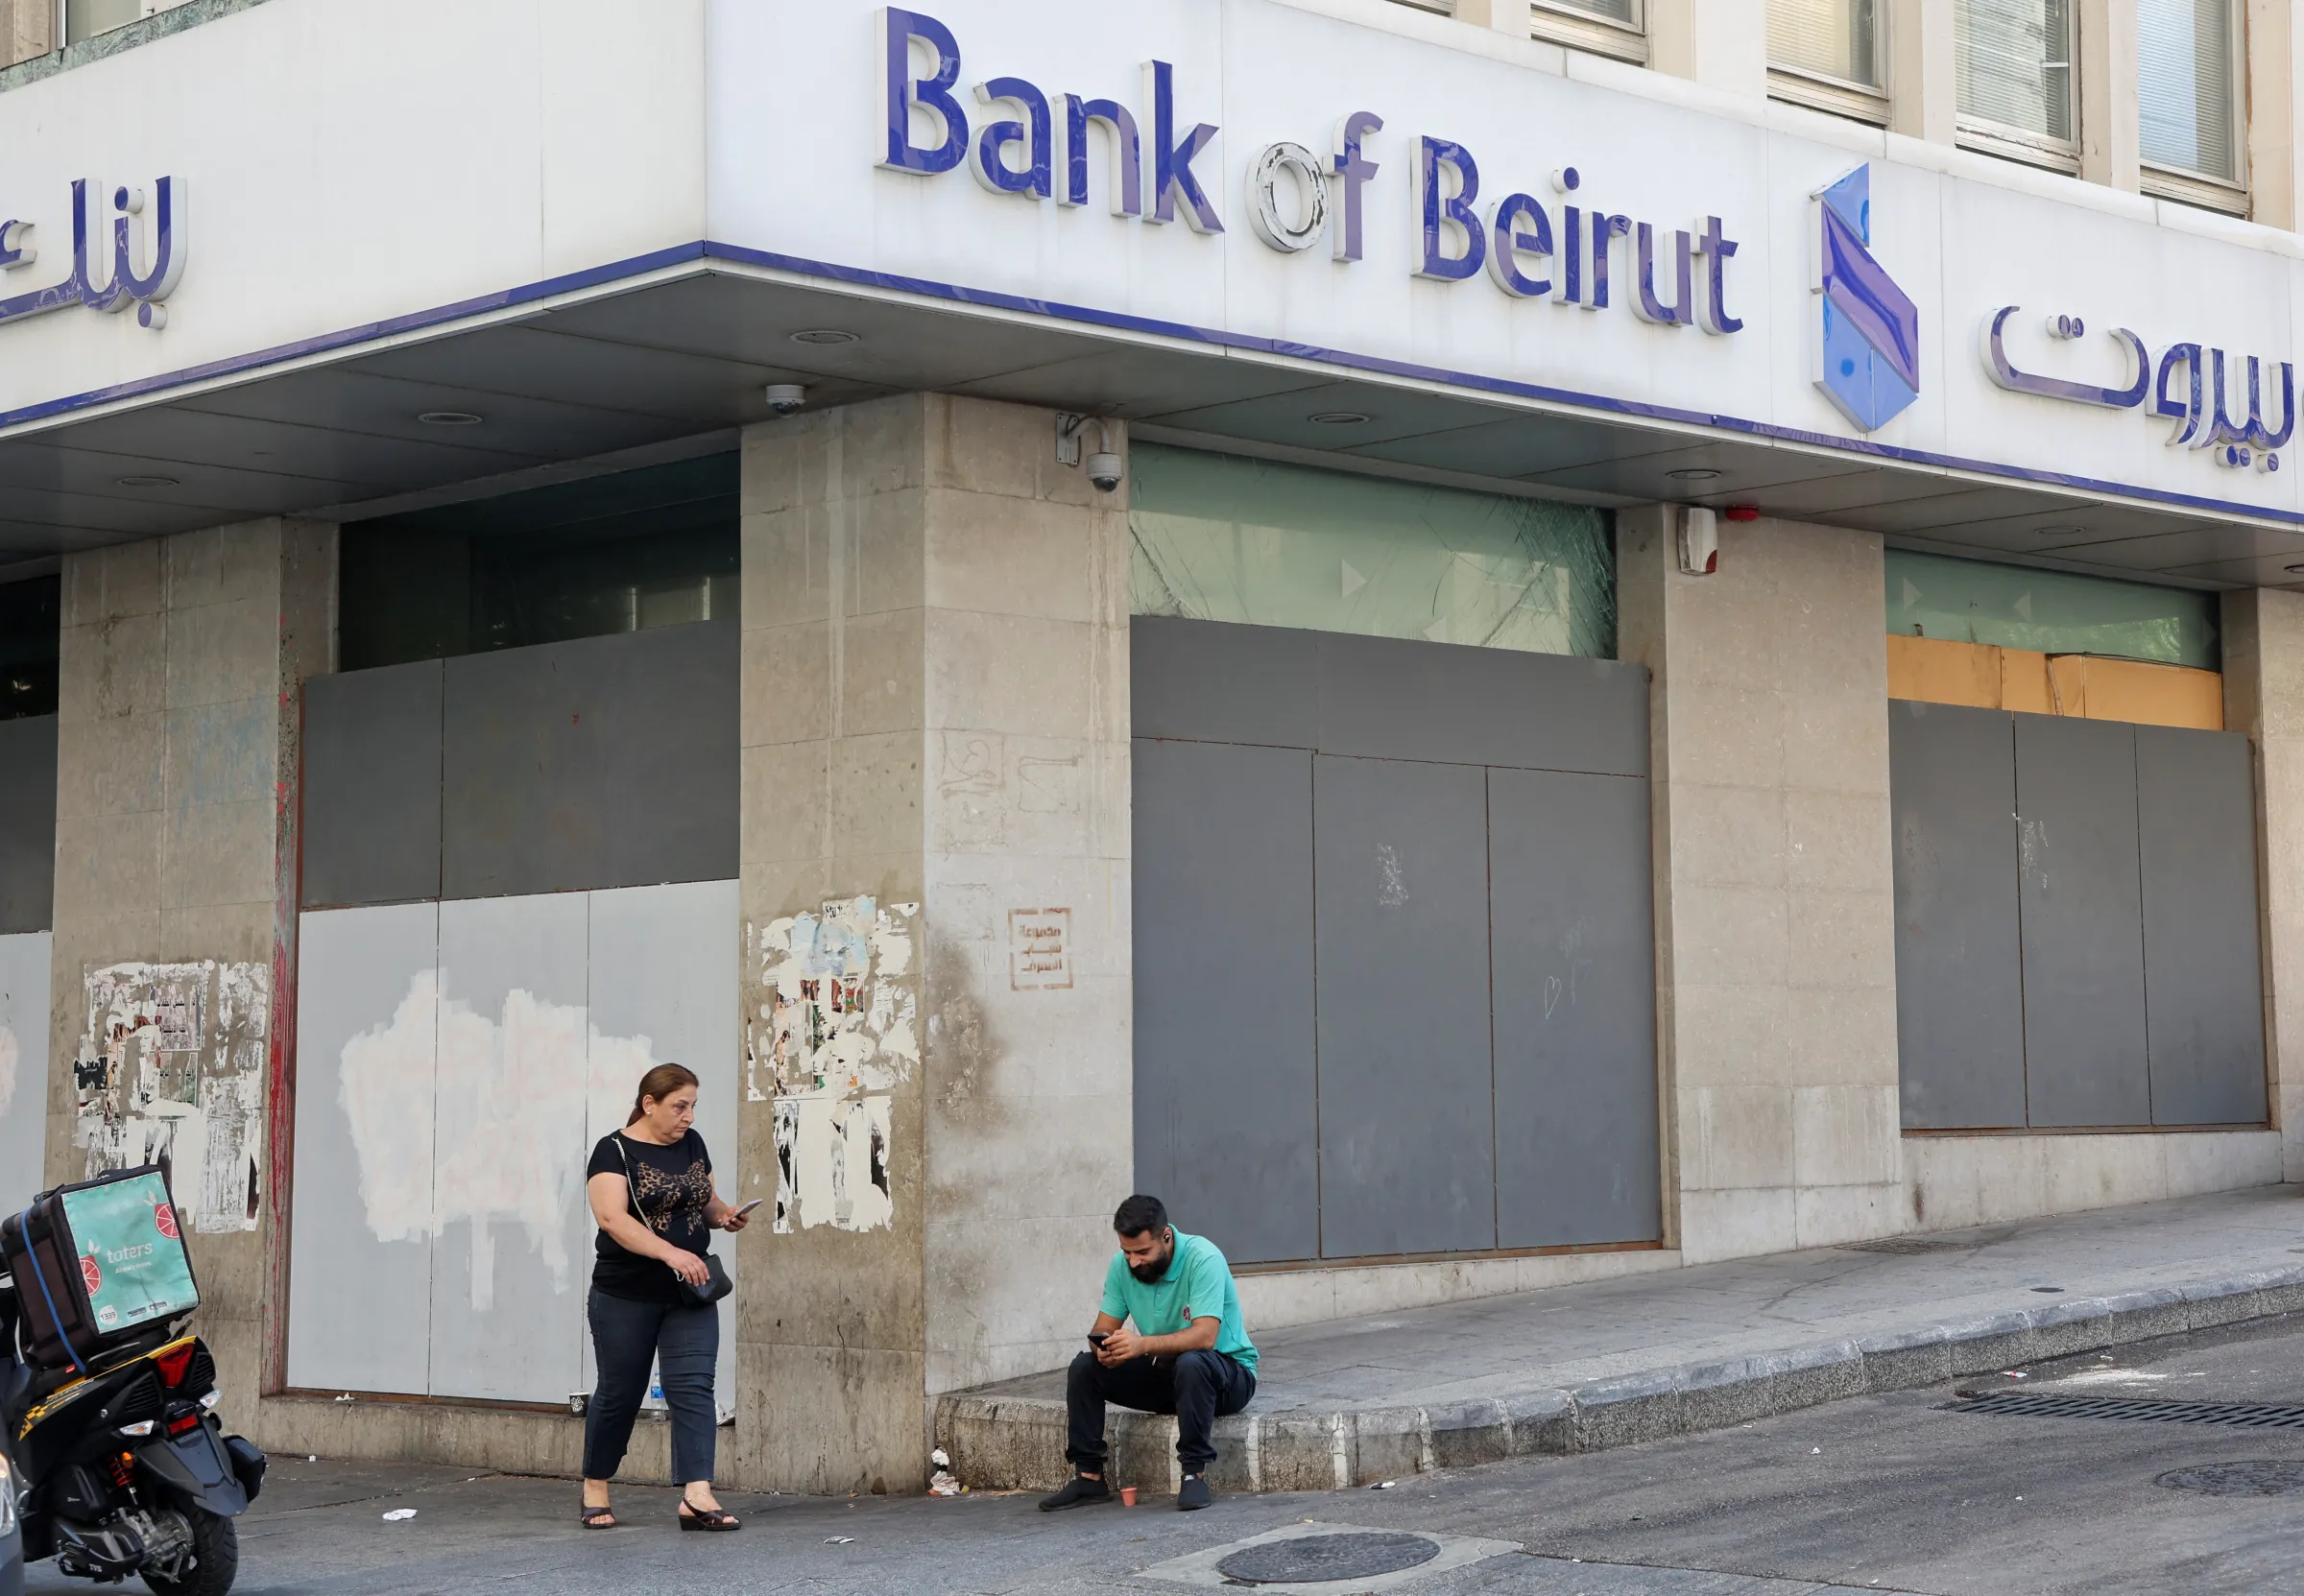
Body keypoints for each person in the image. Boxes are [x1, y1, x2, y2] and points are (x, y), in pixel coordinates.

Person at [578, 1062, 750, 1531]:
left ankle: (697, 1495)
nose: (689, 1116)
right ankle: (596, 1484)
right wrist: (670, 1253)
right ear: (649, 1103)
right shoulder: (611, 1152)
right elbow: (613, 1219)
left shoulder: (692, 1145)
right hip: (626, 1294)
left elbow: (704, 1202)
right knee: (620, 1392)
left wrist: (726, 1215)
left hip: (691, 1291)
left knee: (694, 1387)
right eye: (680, 1106)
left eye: (693, 1106)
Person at [1039, 1195, 1259, 1513]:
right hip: (1168, 1375)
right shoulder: (1122, 1266)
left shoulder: (1203, 1258)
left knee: (1192, 1361)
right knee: (1085, 1367)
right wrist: (1106, 1348)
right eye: (1126, 1252)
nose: (1133, 1262)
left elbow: (1206, 1336)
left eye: (1142, 1252)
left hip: (1226, 1375)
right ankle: (1088, 1477)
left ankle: (1193, 1473)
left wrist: (1140, 1345)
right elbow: (1102, 1327)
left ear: (1166, 1236)